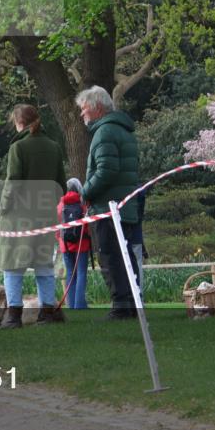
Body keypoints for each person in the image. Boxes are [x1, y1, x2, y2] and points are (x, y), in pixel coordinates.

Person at [75, 85, 144, 320]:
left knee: (110, 256)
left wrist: (86, 191)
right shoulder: (124, 131)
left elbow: (106, 171)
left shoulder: (104, 133)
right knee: (125, 256)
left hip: (108, 207)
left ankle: (121, 306)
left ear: (97, 108)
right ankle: (132, 303)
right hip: (125, 206)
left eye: (84, 110)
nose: (81, 115)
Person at [0, 104, 67, 328]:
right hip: (45, 216)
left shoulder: (18, 147)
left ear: (19, 123)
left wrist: (3, 207)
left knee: (13, 266)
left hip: (19, 217)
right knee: (44, 265)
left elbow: (14, 182)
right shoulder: (54, 147)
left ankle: (13, 316)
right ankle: (47, 313)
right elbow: (61, 185)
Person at [57, 178, 92, 309]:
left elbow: (57, 228)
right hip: (82, 244)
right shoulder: (83, 203)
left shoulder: (60, 204)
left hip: (65, 245)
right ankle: (80, 306)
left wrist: (60, 242)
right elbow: (87, 226)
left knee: (71, 274)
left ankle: (72, 306)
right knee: (82, 273)